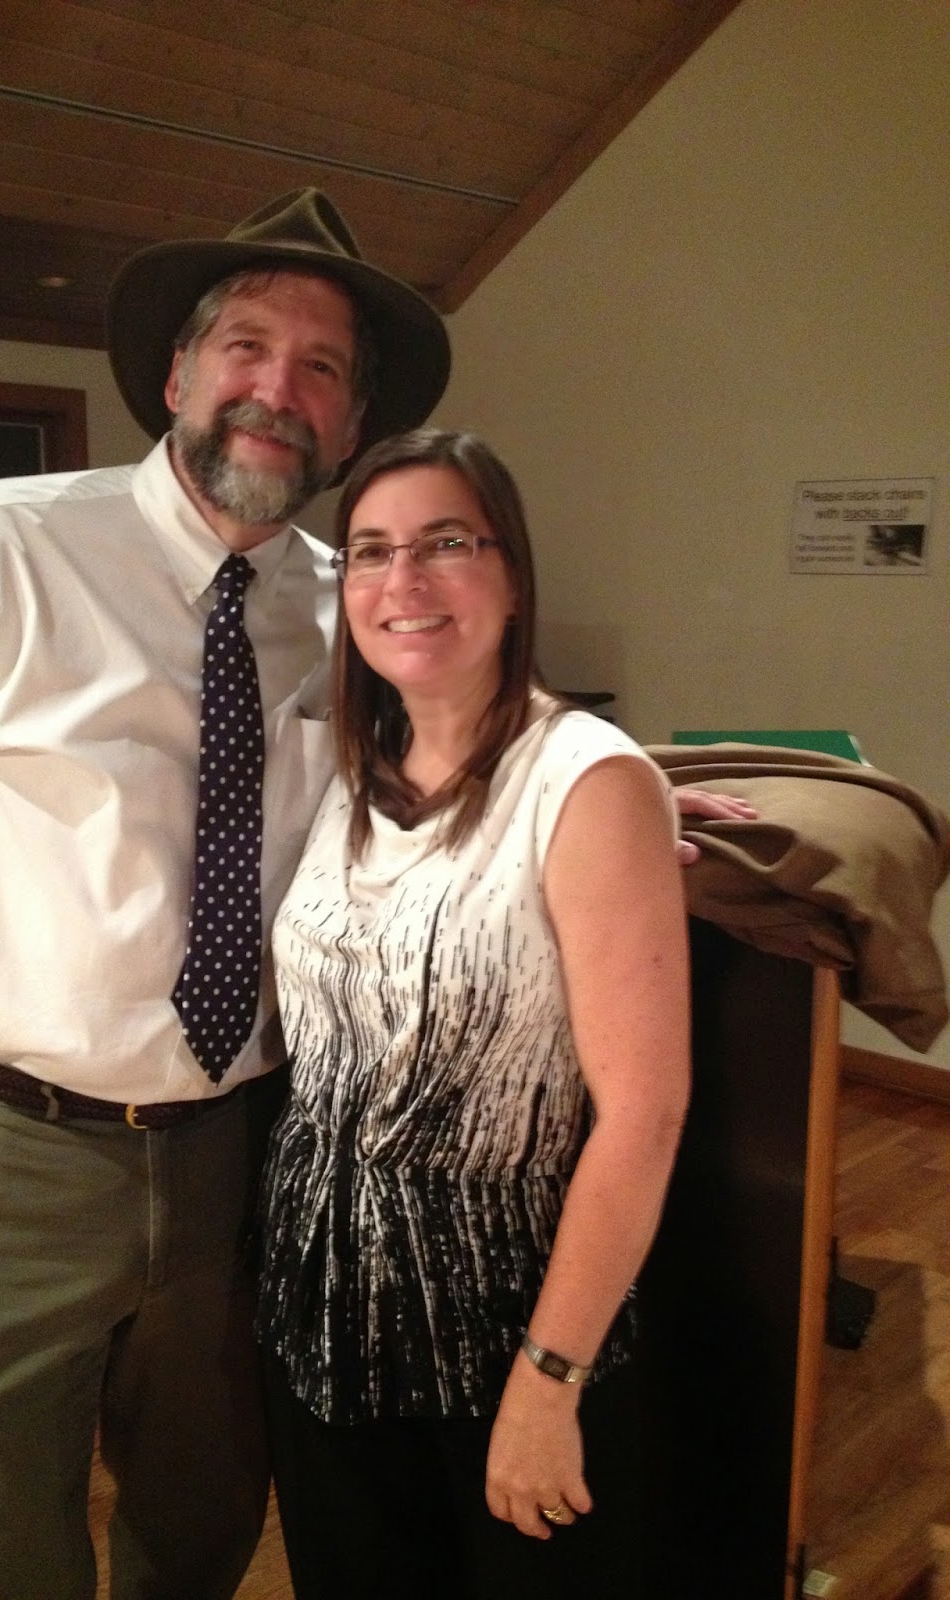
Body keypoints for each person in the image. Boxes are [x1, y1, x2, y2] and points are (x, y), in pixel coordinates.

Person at [0, 188, 452, 1600]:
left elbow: (457, 766)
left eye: (321, 368)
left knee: (201, 1520)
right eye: (246, 347)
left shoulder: (351, 606)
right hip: (5, 1147)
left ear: (348, 427)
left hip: (236, 1156)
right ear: (178, 375)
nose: (277, 390)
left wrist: (620, 798)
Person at [257, 428, 693, 1600]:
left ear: (510, 574)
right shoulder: (349, 770)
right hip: (320, 1325)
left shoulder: (585, 781)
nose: (404, 579)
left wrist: (550, 1380)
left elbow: (645, 1116)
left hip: (500, 1338)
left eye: (446, 542)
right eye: (370, 550)